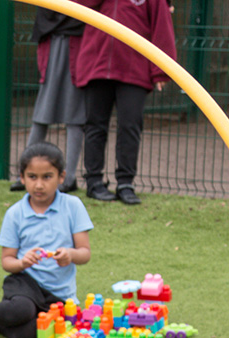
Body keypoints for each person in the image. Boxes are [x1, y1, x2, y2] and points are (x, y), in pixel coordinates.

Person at [0, 141, 92, 338]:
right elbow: (7, 261)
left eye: (47, 177)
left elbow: (85, 253)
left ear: (61, 177)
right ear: (22, 178)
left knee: (30, 334)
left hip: (59, 295)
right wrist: (23, 263)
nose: (39, 184)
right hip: (24, 284)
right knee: (22, 310)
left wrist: (70, 254)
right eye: (32, 177)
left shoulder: (73, 206)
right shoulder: (15, 213)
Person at [73, 0, 176, 206]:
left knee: (130, 125)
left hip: (134, 68)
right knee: (95, 125)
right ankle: (94, 182)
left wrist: (161, 70)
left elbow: (161, 25)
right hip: (97, 65)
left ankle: (125, 183)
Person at [9, 6, 87, 195]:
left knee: (74, 113)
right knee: (43, 110)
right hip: (52, 40)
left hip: (78, 44)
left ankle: (68, 178)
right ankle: (25, 173)